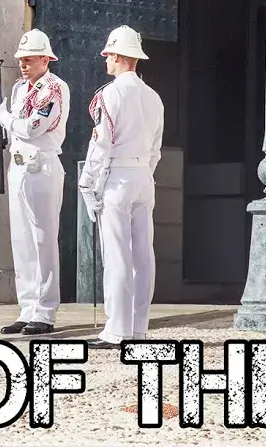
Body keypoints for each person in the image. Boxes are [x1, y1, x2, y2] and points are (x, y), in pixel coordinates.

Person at [78, 25, 164, 349]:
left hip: (117, 179)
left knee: (116, 257)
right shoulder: (154, 98)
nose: (105, 61)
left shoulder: (110, 94)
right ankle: (138, 329)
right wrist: (143, 171)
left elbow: (100, 145)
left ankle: (117, 331)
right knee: (144, 256)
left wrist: (87, 183)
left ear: (116, 55)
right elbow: (156, 149)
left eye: (108, 55)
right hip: (144, 177)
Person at [0, 29, 69, 335]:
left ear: (45, 58)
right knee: (21, 240)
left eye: (29, 58)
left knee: (43, 240)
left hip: (42, 167)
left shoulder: (54, 88)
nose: (23, 64)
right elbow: (14, 131)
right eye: (21, 59)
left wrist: (3, 118)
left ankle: (46, 311)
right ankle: (27, 308)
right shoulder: (19, 90)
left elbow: (33, 127)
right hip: (19, 166)